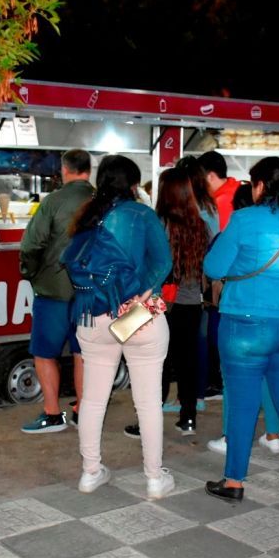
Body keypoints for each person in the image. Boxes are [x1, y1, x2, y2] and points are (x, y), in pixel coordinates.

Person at [203, 157, 279, 502]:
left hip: (246, 326)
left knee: (243, 404)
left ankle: (235, 481)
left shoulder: (244, 219)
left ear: (260, 185)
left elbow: (213, 267)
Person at [64, 155, 174, 500]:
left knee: (94, 400)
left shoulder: (86, 216)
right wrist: (144, 292)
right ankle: (154, 479)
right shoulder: (142, 214)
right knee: (148, 403)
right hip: (138, 316)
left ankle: (90, 472)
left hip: (92, 316)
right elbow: (164, 261)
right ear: (132, 183)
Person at [206, 182, 279, 456]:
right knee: (267, 375)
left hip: (240, 314)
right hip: (275, 314)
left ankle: (231, 438)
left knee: (234, 379)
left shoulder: (233, 232)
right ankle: (273, 435)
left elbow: (214, 268)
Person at [18, 149, 94, 433]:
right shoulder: (103, 202)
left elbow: (30, 245)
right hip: (90, 294)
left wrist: (31, 272)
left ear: (64, 169)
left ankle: (52, 414)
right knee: (83, 352)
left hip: (54, 290)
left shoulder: (53, 202)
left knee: (45, 353)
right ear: (89, 169)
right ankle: (82, 411)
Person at [155, 157, 213, 436]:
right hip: (192, 303)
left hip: (160, 304)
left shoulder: (159, 224)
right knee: (187, 360)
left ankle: (150, 415)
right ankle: (188, 417)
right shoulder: (201, 225)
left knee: (159, 361)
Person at [197, 150, 240, 402]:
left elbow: (220, 245)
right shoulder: (236, 191)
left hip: (223, 279)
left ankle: (218, 383)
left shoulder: (221, 202)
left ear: (210, 176)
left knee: (216, 330)